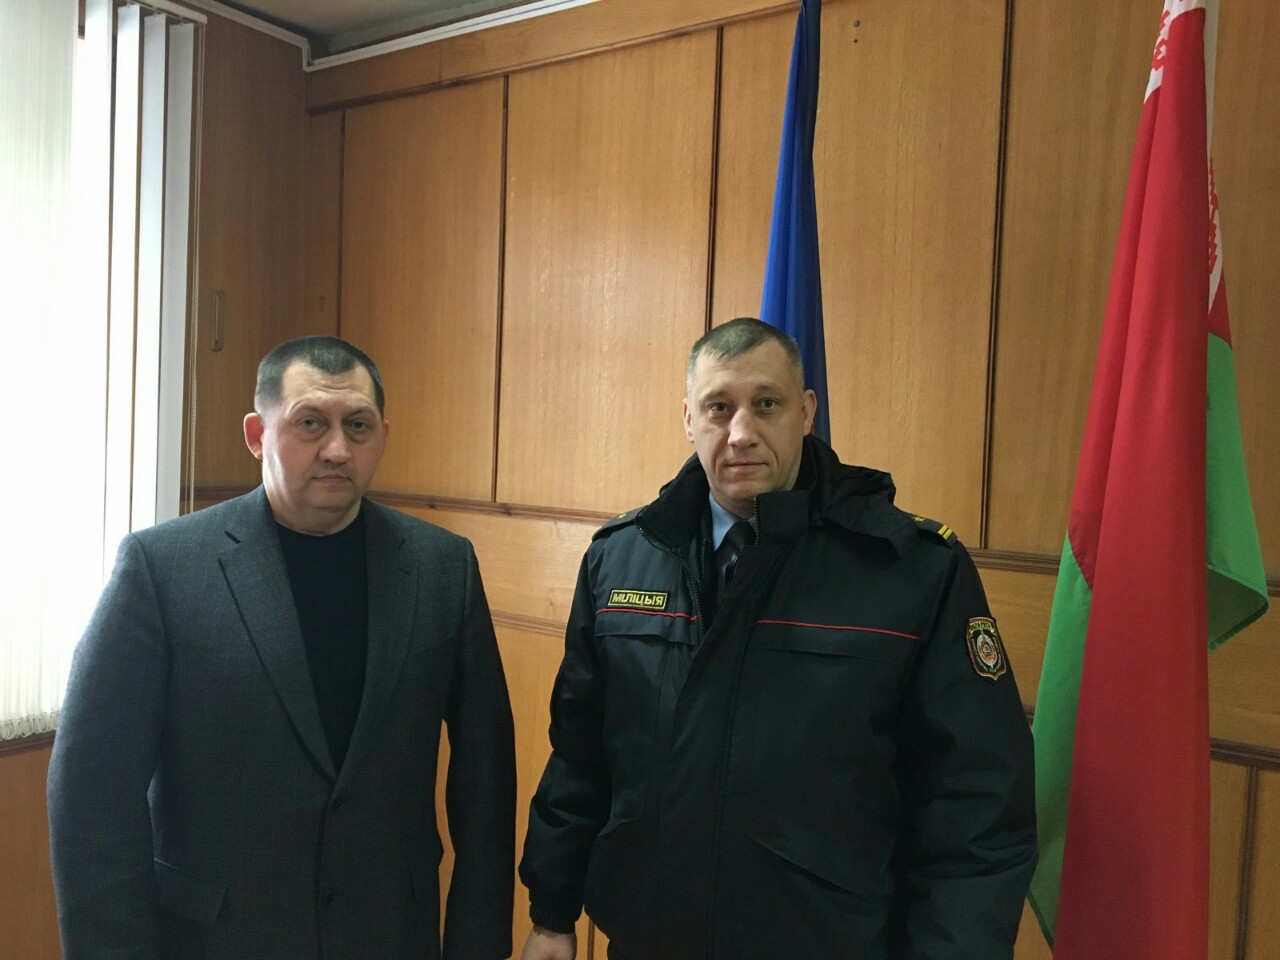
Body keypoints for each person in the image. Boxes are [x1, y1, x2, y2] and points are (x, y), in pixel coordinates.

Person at [518, 318, 1036, 960]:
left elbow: (976, 804)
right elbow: (580, 757)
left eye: (766, 404)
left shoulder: (910, 569)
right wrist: (551, 913)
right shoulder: (621, 559)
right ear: (688, 419)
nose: (741, 432)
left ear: (807, 412)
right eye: (719, 407)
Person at [48, 335, 516, 960]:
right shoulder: (162, 569)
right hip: (218, 940)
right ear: (257, 434)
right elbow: (93, 793)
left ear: (382, 436)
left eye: (357, 425)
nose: (337, 448)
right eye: (310, 423)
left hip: (389, 935)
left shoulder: (442, 568)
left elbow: (486, 779)